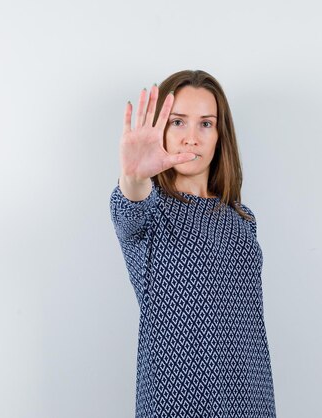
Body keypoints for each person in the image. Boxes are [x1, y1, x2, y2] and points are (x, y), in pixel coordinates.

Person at [109, 70, 277, 417]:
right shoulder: (150, 210)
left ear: (219, 135)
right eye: (178, 122)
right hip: (178, 404)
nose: (191, 138)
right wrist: (134, 176)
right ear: (161, 131)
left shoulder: (241, 218)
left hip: (251, 398)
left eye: (205, 124)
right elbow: (128, 208)